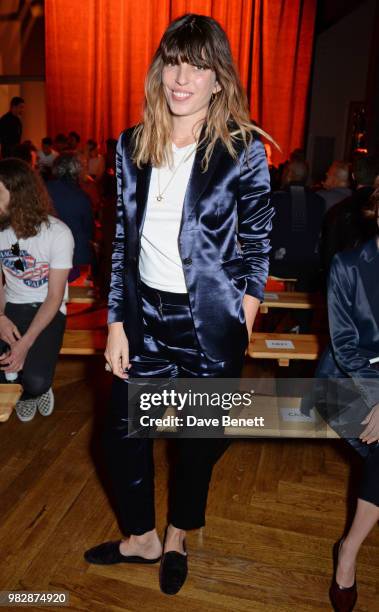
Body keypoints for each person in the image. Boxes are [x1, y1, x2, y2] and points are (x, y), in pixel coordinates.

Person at [84, 13, 273, 595]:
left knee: (197, 444)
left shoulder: (242, 149)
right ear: (159, 69)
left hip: (210, 324)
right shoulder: (131, 145)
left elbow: (260, 239)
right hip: (144, 321)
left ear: (220, 80)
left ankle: (177, 534)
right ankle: (140, 536)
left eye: (198, 65)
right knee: (119, 433)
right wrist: (116, 321)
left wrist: (245, 311)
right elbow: (119, 240)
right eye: (173, 62)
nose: (182, 77)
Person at [315, 188, 379, 611]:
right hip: (341, 384)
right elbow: (345, 346)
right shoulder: (348, 265)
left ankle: (348, 549)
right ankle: (349, 555)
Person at [0, 158, 74, 422]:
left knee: (35, 380)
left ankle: (36, 391)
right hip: (12, 307)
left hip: (47, 309)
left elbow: (54, 297)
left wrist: (24, 344)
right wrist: (0, 318)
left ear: (18, 194)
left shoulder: (58, 233)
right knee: (4, 373)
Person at [320, 155, 379, 273]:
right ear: (377, 177)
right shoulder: (375, 208)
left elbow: (328, 255)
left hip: (345, 277)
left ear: (353, 176)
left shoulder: (337, 210)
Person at [47, 153, 94, 283]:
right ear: (77, 170)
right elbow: (89, 230)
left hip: (48, 254)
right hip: (75, 256)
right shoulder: (82, 197)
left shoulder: (43, 189)